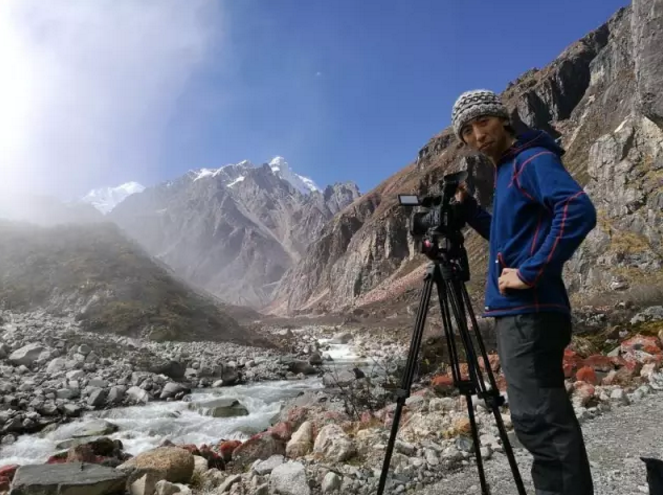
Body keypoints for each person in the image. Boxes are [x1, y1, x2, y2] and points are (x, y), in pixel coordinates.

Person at [450, 89, 596, 495]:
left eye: (483, 122)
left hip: (528, 310)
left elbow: (577, 209)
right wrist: (472, 214)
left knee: (540, 423)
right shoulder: (507, 168)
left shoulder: (531, 160)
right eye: (467, 130)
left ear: (503, 119)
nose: (477, 135)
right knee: (542, 419)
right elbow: (508, 238)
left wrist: (530, 273)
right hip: (523, 313)